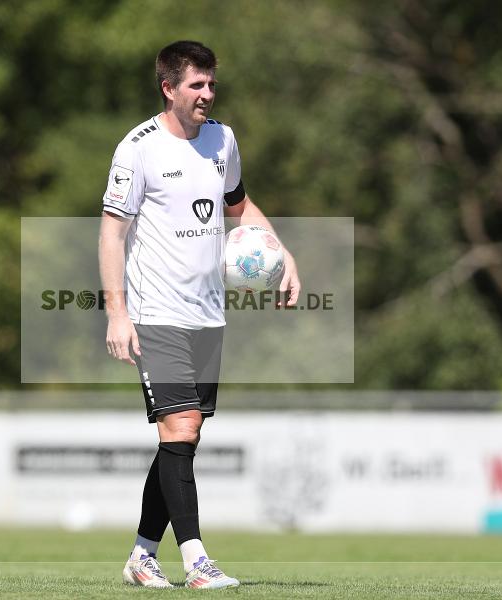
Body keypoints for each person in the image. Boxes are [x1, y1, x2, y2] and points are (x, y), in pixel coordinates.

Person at [98, 40, 300, 590]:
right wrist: (118, 315)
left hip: (208, 316)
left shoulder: (223, 140)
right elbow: (112, 234)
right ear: (169, 88)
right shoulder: (137, 148)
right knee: (181, 428)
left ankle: (142, 555)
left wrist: (281, 253)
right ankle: (196, 562)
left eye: (211, 84)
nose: (208, 94)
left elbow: (241, 208)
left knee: (181, 440)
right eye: (196, 85)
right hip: (154, 312)